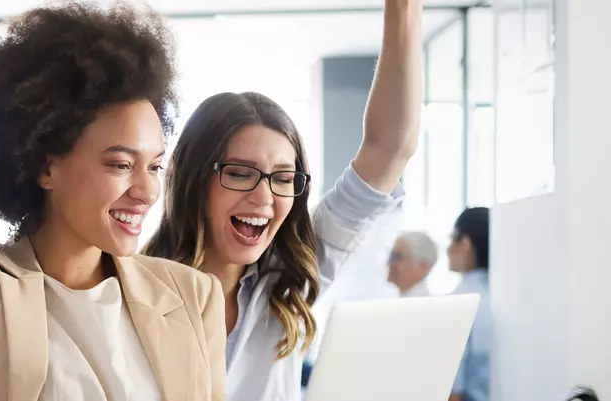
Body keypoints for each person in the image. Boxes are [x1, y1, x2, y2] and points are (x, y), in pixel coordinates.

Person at [0, 3, 224, 400]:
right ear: (46, 167)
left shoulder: (191, 296)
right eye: (121, 164)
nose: (147, 191)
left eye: (156, 167)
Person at [142, 0, 423, 398]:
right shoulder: (132, 289)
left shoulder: (291, 276)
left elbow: (391, 147)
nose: (264, 197)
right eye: (239, 173)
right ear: (194, 180)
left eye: (283, 178)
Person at [447, 207, 491, 401]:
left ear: (465, 244)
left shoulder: (459, 302)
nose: (448, 248)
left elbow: (451, 391)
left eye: (452, 238)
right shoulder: (507, 297)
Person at [387, 231, 438, 297]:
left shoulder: (425, 305)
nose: (389, 262)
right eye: (391, 256)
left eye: (398, 257)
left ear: (424, 265)